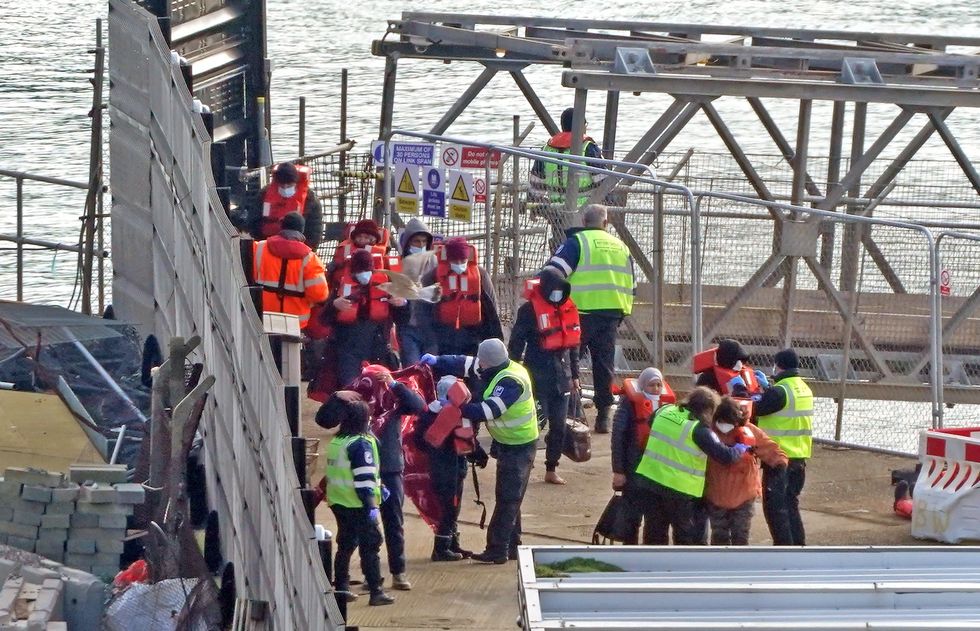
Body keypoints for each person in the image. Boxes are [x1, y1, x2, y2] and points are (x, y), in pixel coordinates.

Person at [421, 339, 538, 564]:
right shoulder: (498, 365)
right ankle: (512, 545)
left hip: (519, 446)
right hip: (507, 443)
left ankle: (497, 550)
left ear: (488, 363)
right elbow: (464, 363)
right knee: (511, 497)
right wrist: (438, 361)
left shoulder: (511, 381)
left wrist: (455, 407)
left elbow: (488, 411)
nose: (478, 367)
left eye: (481, 363)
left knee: (508, 498)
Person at [546, 204, 635, 434]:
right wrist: (622, 312)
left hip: (579, 313)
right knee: (604, 365)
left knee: (567, 362)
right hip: (612, 314)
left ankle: (570, 411)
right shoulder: (621, 247)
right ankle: (604, 415)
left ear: (584, 222)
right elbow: (632, 286)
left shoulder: (577, 243)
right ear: (606, 223)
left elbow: (553, 272)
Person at [631, 386, 749, 545]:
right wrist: (739, 449)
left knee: (654, 532)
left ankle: (654, 565)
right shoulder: (698, 430)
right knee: (684, 535)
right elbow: (725, 456)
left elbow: (652, 423)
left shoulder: (664, 411)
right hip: (679, 490)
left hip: (649, 481)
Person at [349, 366, 425, 591]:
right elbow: (326, 417)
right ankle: (370, 574)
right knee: (369, 522)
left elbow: (418, 406)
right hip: (366, 473)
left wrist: (394, 384)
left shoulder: (394, 401)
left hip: (389, 471)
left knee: (393, 522)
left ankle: (398, 572)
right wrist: (339, 395)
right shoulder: (356, 403)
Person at [507, 268, 581, 485]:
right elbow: (516, 343)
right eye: (554, 289)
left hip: (563, 378)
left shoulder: (568, 308)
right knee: (536, 423)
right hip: (536, 375)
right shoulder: (529, 311)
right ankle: (525, 461)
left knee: (559, 426)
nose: (557, 293)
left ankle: (551, 468)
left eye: (561, 290)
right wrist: (513, 370)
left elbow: (574, 345)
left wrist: (575, 375)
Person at [323, 392, 395, 606]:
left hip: (339, 502)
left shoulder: (339, 441)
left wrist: (378, 485)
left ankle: (342, 587)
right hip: (358, 504)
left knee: (345, 544)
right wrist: (372, 504)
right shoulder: (361, 444)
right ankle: (376, 591)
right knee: (371, 546)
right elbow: (364, 478)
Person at [705, 397, 787, 545]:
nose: (726, 427)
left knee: (741, 536)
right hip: (716, 494)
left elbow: (770, 449)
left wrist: (780, 465)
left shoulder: (749, 431)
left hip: (744, 493)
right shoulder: (707, 432)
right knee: (719, 536)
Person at [753, 348, 814, 546]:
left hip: (779, 460)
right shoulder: (803, 388)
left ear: (778, 366)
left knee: (775, 508)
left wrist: (754, 392)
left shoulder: (780, 391)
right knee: (791, 505)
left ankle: (783, 549)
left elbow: (757, 409)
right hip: (799, 458)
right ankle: (799, 546)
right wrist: (768, 389)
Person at [610, 367, 674, 543]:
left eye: (658, 385)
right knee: (632, 517)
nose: (655, 389)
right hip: (634, 468)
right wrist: (618, 470)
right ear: (643, 385)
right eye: (651, 385)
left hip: (657, 472)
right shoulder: (628, 404)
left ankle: (652, 553)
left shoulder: (668, 406)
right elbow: (618, 437)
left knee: (657, 518)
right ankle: (629, 549)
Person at [413, 375, 473, 561]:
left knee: (454, 507)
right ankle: (441, 548)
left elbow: (420, 442)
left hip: (454, 467)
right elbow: (422, 441)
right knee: (448, 508)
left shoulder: (430, 413)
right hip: (446, 470)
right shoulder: (438, 415)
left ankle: (453, 544)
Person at [325, 249, 405, 387]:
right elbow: (324, 319)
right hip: (348, 348)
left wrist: (402, 303)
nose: (364, 274)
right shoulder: (341, 286)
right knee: (350, 387)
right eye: (359, 270)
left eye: (367, 269)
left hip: (378, 348)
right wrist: (333, 305)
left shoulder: (386, 286)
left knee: (380, 390)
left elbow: (403, 319)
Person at [420, 237, 503, 356]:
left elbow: (491, 308)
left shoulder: (481, 275)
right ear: (448, 259)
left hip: (474, 338)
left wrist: (495, 339)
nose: (459, 264)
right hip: (443, 339)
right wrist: (430, 343)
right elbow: (422, 311)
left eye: (462, 260)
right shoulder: (431, 277)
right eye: (455, 261)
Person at [251, 212, 329, 329]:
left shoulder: (258, 248)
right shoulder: (310, 259)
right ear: (302, 230)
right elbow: (319, 295)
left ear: (282, 227)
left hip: (261, 316)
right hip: (294, 323)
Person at [392, 218, 439, 365]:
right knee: (412, 368)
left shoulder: (435, 263)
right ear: (408, 243)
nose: (421, 245)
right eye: (416, 241)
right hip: (408, 327)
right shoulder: (398, 264)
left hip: (430, 326)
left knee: (430, 370)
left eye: (424, 241)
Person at [248, 162, 323, 249]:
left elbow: (315, 231)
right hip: (267, 246)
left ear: (296, 182)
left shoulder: (310, 200)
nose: (285, 187)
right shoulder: (264, 195)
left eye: (289, 184)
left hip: (298, 248)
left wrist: (309, 251)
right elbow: (254, 221)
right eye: (282, 185)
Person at [695, 338, 766, 398]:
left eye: (741, 360)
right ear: (728, 359)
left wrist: (765, 388)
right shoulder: (708, 377)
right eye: (737, 360)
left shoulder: (742, 374)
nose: (740, 363)